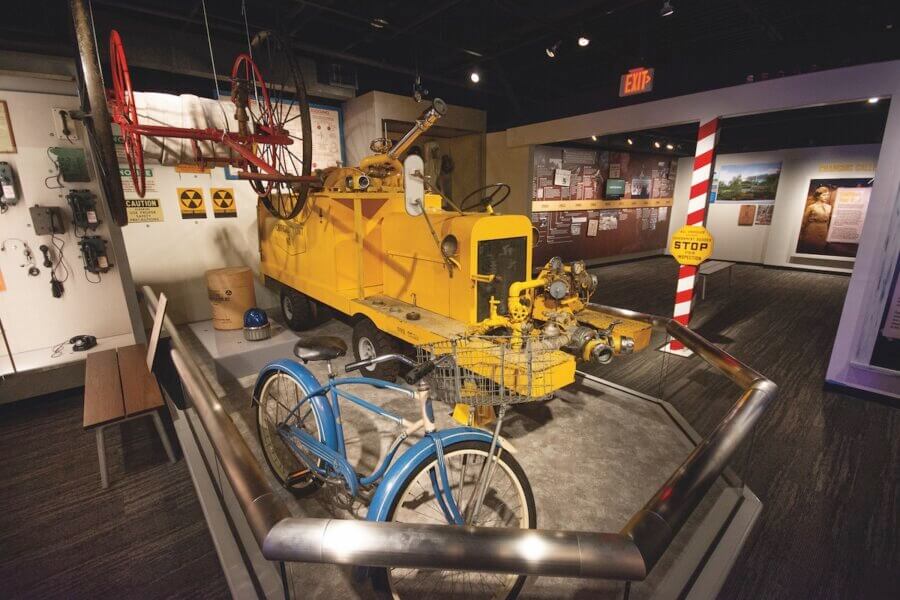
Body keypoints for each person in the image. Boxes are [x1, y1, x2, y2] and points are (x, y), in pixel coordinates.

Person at [799, 185, 832, 253]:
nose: (826, 197)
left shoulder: (829, 207)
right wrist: (801, 233)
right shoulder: (811, 207)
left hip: (823, 228)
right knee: (810, 246)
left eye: (827, 195)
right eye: (824, 195)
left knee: (821, 247)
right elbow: (804, 221)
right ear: (818, 196)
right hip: (813, 228)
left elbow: (828, 220)